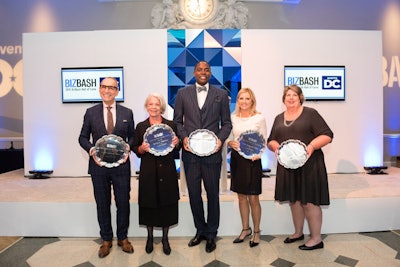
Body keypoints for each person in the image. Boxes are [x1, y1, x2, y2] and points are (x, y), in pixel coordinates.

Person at [173, 60, 232, 253]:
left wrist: (220, 141)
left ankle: (212, 233)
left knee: (213, 194)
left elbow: (227, 124)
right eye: (199, 69)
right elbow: (177, 122)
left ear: (210, 73)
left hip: (212, 155)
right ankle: (200, 230)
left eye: (206, 69)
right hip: (190, 155)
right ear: (194, 72)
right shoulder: (182, 94)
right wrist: (184, 138)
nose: (203, 72)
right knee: (194, 195)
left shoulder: (221, 94)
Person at [267, 84, 333, 251]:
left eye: (294, 95)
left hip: (309, 166)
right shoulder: (278, 117)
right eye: (288, 95)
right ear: (284, 99)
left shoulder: (311, 114)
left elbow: (327, 135)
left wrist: (311, 146)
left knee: (309, 202)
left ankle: (316, 239)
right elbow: (271, 140)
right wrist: (275, 147)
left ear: (300, 97)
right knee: (294, 201)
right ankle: (298, 233)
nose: (291, 98)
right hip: (288, 167)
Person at [78, 77, 135, 258]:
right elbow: (82, 137)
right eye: (104, 87)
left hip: (121, 167)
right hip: (99, 166)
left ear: (117, 91)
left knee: (123, 203)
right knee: (102, 204)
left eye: (111, 87)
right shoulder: (91, 112)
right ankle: (106, 240)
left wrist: (128, 146)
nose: (107, 90)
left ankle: (123, 238)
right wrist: (92, 150)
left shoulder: (127, 112)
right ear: (100, 89)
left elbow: (132, 137)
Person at [132, 93, 181, 255]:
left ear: (162, 107)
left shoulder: (171, 125)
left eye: (157, 104)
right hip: (148, 171)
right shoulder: (140, 126)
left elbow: (177, 148)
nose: (154, 107)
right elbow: (135, 148)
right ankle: (150, 237)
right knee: (149, 203)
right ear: (147, 107)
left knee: (167, 203)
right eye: (151, 104)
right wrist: (141, 148)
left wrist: (177, 143)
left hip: (167, 169)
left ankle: (166, 239)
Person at [227, 88, 267, 248]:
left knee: (253, 198)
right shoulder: (232, 118)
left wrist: (259, 153)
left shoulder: (259, 117)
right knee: (241, 197)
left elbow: (263, 139)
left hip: (252, 160)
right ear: (237, 101)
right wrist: (230, 143)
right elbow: (229, 137)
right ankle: (246, 229)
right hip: (237, 160)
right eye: (241, 98)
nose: (244, 101)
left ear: (252, 101)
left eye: (247, 99)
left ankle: (257, 231)